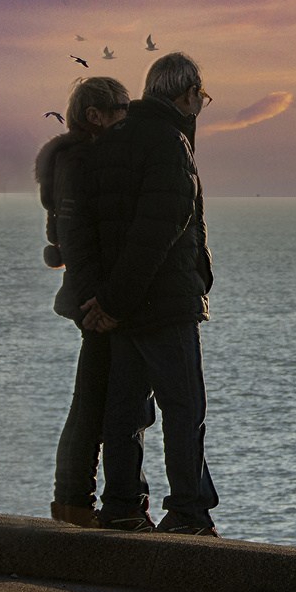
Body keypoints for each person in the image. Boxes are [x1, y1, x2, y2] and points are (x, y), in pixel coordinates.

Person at [80, 52, 220, 536]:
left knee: (125, 412)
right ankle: (189, 511)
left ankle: (121, 504)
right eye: (200, 97)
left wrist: (106, 302)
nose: (201, 106)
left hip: (122, 305)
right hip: (162, 305)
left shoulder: (115, 140)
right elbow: (157, 232)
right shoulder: (170, 143)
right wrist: (117, 302)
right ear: (186, 94)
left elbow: (99, 228)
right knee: (184, 410)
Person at [37, 76, 133, 528]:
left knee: (96, 400)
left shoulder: (82, 158)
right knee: (91, 403)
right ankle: (74, 501)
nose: (126, 116)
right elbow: (76, 239)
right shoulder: (81, 160)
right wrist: (97, 303)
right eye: (120, 108)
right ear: (95, 116)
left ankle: (76, 501)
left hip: (88, 296)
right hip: (91, 301)